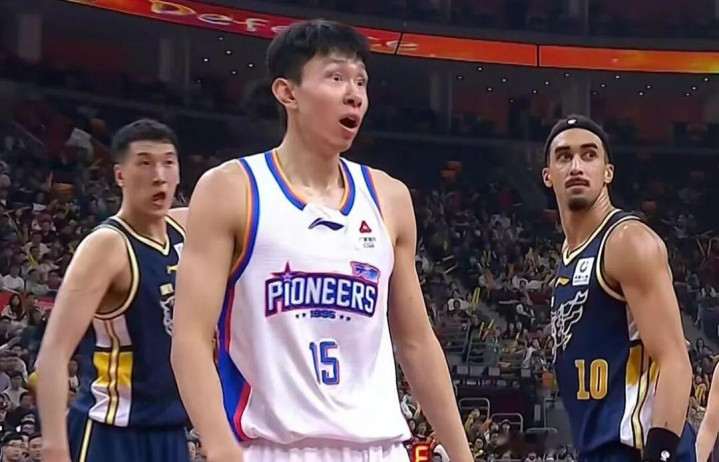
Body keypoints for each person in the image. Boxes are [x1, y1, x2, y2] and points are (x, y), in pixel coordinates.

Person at [171, 19, 471, 462]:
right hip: (274, 448)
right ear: (287, 92)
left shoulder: (389, 197)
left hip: (380, 448)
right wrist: (218, 446)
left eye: (361, 82)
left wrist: (463, 455)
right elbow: (190, 339)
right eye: (335, 78)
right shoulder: (232, 189)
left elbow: (416, 342)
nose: (354, 94)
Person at [35, 119, 190, 462]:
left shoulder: (185, 228)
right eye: (145, 163)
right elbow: (54, 353)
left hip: (171, 432)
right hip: (112, 432)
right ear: (120, 175)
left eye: (168, 162)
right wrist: (54, 447)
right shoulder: (107, 246)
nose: (159, 175)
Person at [543, 115, 695, 462]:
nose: (577, 166)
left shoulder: (628, 241)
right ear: (548, 175)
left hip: (637, 450)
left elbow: (675, 362)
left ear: (608, 172)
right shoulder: (570, 253)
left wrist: (660, 455)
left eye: (589, 155)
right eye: (564, 156)